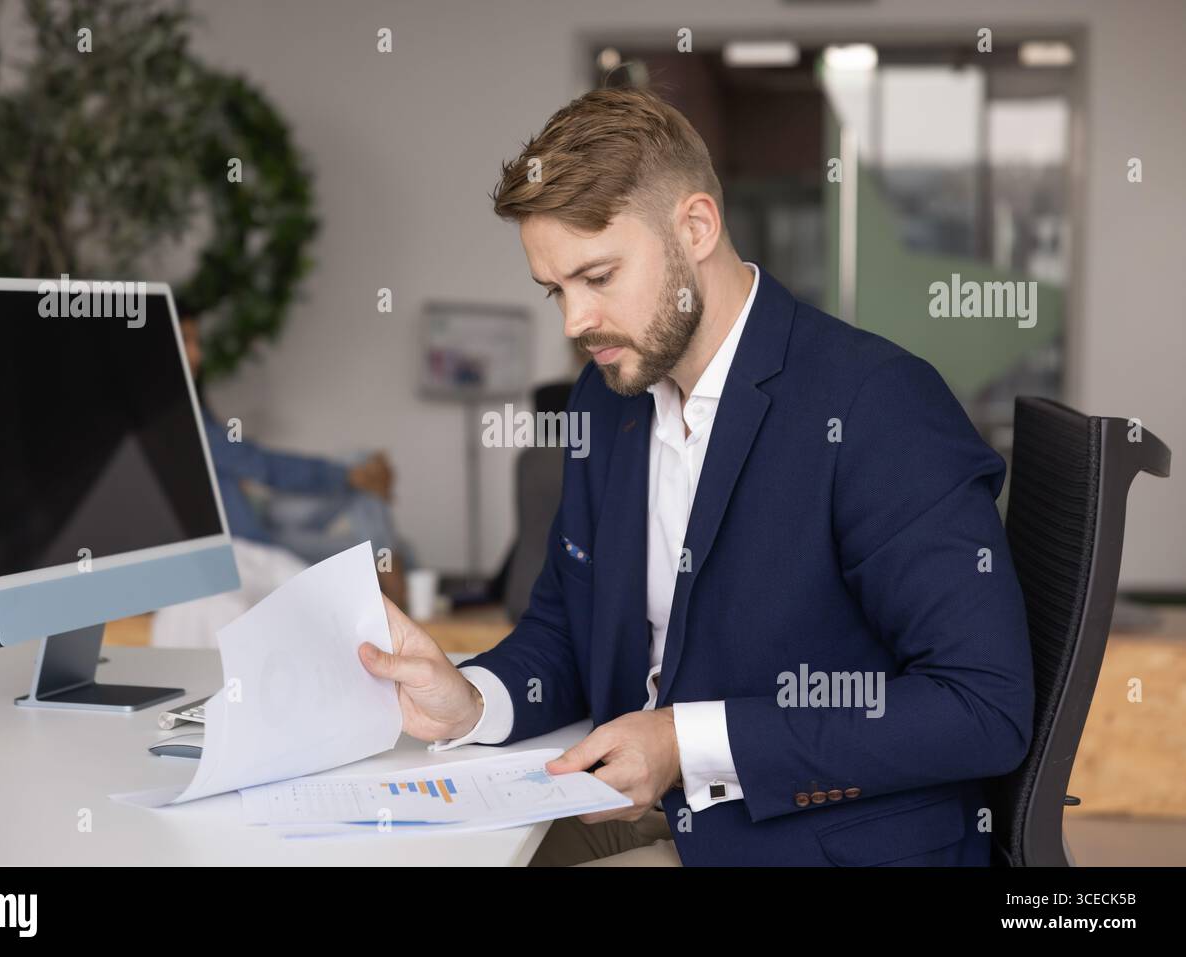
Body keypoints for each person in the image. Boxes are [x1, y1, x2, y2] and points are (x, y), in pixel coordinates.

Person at [358, 87, 1034, 866]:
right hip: (651, 809)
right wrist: (470, 700)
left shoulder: (875, 403)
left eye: (599, 276)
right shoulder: (607, 399)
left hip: (816, 837)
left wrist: (688, 741)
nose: (574, 322)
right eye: (557, 291)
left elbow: (983, 707)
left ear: (697, 227)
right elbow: (566, 631)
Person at [178, 311, 406, 606]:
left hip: (258, 513)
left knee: (361, 463)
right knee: (372, 538)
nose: (198, 353)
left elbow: (246, 464)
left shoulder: (194, 406)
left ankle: (392, 568)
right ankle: (395, 581)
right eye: (185, 341)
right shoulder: (173, 418)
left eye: (197, 341)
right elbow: (258, 465)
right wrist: (345, 476)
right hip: (250, 541)